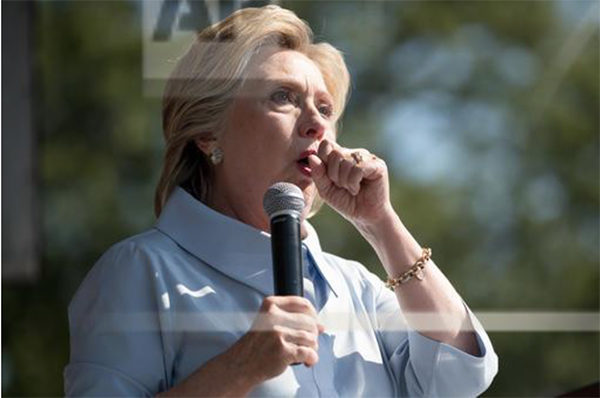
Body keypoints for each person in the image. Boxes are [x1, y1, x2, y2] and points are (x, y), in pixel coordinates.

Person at [64, 5, 498, 397]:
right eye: (283, 97)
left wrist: (379, 223)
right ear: (207, 131)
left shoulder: (355, 286)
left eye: (325, 109)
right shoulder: (142, 271)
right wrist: (239, 367)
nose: (315, 124)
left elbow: (461, 378)